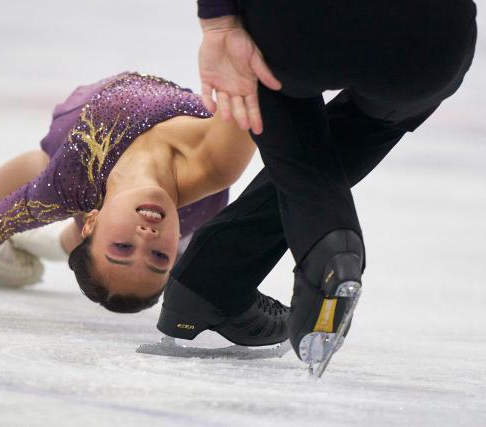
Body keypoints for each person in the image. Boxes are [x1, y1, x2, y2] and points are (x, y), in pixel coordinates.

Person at [155, 0, 477, 366]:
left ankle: (322, 242)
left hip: (303, 25)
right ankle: (215, 276)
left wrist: (219, 24)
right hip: (434, 40)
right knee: (379, 115)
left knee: (254, 62)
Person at [0, 71, 265, 314]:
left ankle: (33, 246)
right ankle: (56, 245)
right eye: (160, 256)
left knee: (32, 169)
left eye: (123, 249)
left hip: (83, 152)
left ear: (91, 222)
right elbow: (253, 77)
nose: (147, 239)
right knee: (58, 198)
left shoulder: (65, 182)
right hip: (163, 203)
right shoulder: (214, 166)